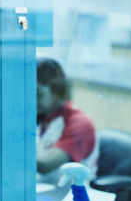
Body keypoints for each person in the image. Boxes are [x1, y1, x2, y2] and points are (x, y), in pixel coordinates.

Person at [36, 57, 97, 185]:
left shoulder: (79, 123)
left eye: (39, 94)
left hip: (70, 198)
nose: (32, 100)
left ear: (57, 91)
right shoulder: (41, 117)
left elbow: (45, 165)